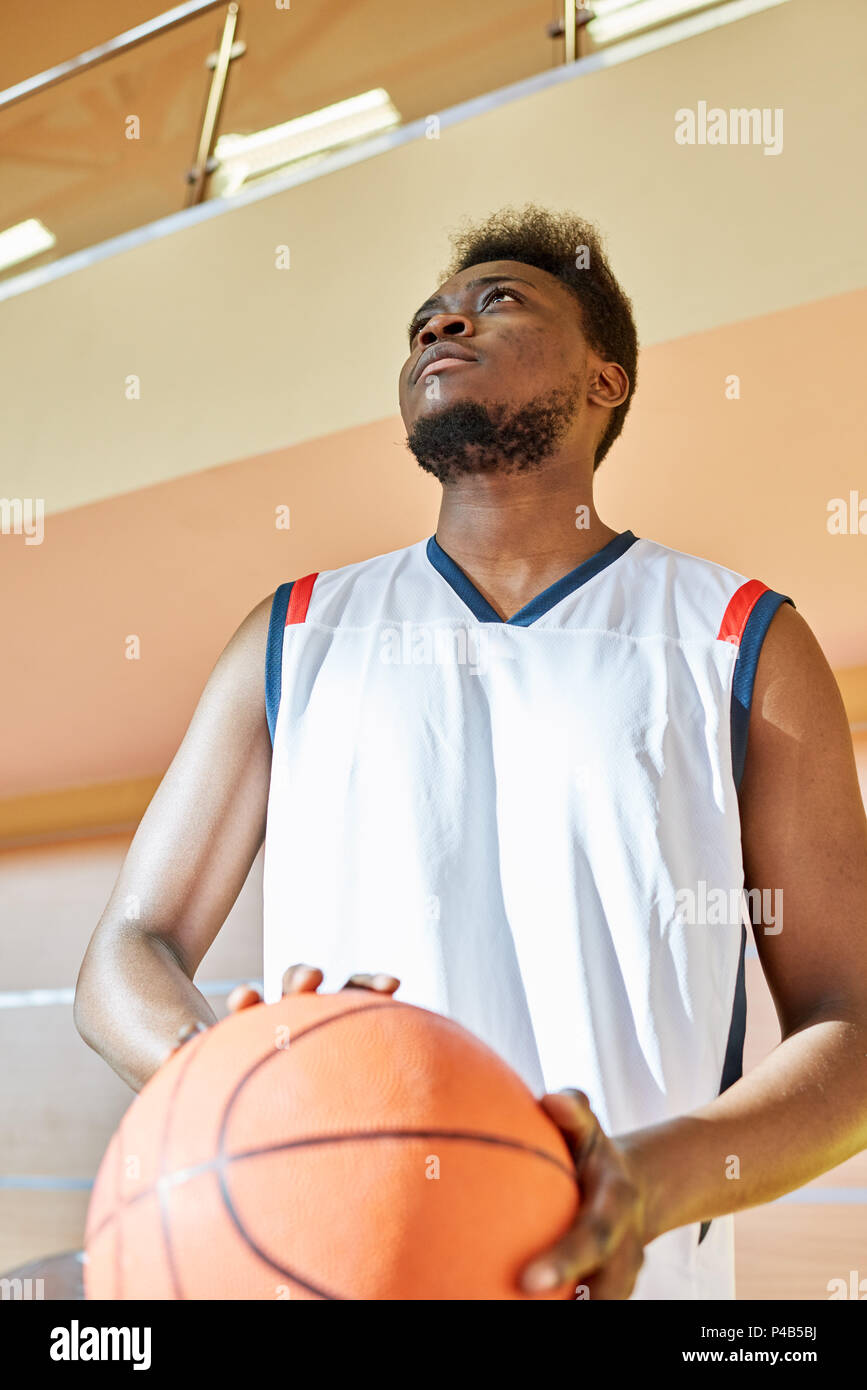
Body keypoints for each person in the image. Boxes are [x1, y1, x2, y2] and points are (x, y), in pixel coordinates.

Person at [75, 205, 867, 1300]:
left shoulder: (740, 638)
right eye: (425, 322)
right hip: (334, 1260)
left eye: (497, 303)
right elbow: (126, 947)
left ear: (606, 380)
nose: (443, 327)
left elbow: (854, 1024)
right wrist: (226, 1071)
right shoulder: (296, 630)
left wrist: (652, 1177)